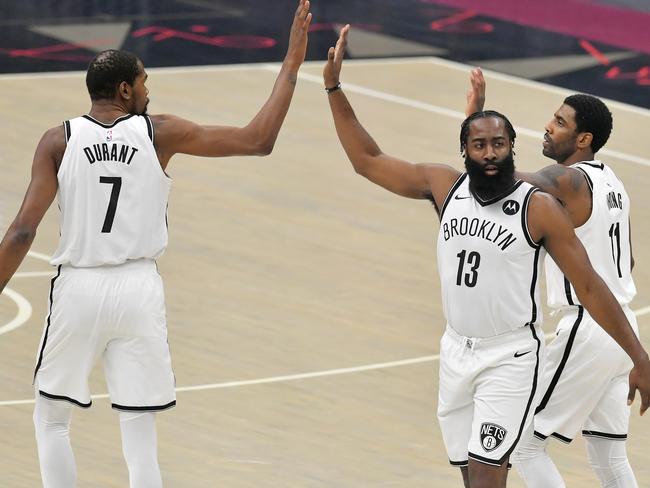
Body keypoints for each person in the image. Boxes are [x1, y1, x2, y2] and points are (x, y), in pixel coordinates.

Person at [0, 1, 312, 486]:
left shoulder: (57, 140)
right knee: (138, 428)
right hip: (138, 290)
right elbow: (258, 140)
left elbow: (22, 230)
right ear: (125, 89)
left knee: (52, 420)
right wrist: (292, 61)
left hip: (78, 288)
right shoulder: (158, 132)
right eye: (144, 81)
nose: (149, 90)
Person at [323, 26, 650, 488]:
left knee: (521, 450)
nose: (491, 153)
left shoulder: (550, 193)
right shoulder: (448, 187)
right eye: (479, 145)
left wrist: (640, 355)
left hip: (533, 345)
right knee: (605, 457)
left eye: (500, 144)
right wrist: (334, 88)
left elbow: (591, 283)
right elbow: (367, 159)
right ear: (465, 151)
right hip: (462, 349)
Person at [466, 70, 641, 487]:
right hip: (622, 326)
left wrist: (475, 121)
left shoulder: (568, 180)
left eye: (560, 122)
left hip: (589, 324)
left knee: (522, 444)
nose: (548, 125)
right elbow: (627, 264)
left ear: (584, 140)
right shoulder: (613, 184)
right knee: (608, 453)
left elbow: (499, 182)